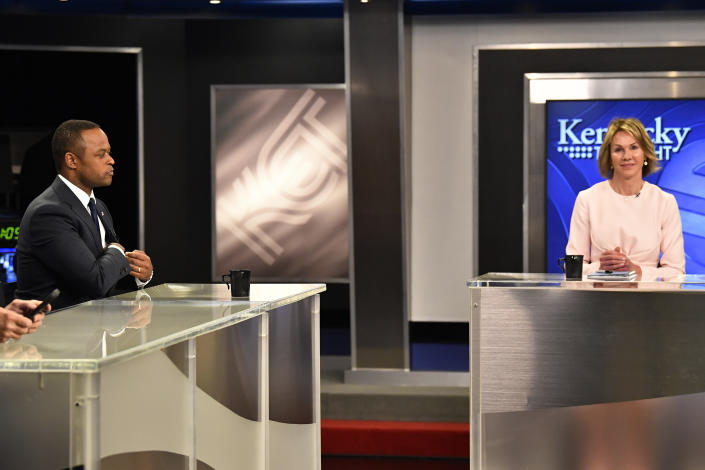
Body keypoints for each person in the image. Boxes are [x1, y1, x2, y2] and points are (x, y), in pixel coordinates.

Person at [14, 119, 153, 310]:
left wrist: (139, 273)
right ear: (72, 161)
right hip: (55, 333)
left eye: (109, 153)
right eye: (101, 154)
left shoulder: (98, 206)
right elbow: (95, 282)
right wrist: (117, 251)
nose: (111, 160)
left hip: (93, 329)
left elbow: (109, 273)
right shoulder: (49, 213)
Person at [565, 117, 685, 279]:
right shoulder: (587, 199)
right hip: (598, 298)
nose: (627, 156)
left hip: (649, 299)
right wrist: (602, 267)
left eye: (634, 147)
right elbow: (571, 267)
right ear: (610, 157)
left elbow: (676, 272)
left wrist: (638, 271)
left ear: (645, 154)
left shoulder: (664, 202)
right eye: (618, 149)